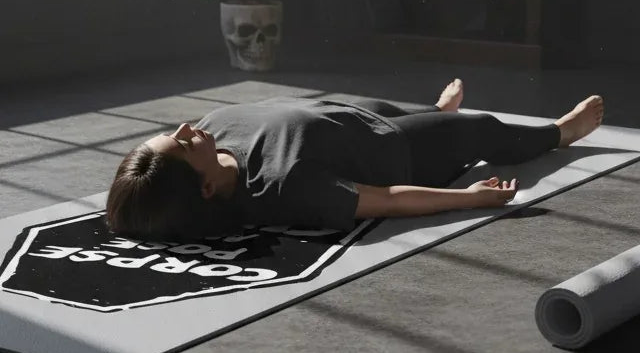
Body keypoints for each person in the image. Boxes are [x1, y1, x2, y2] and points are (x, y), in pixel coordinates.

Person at [105, 76, 604, 244]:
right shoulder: (283, 189)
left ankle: (432, 112)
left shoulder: (211, 138)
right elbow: (386, 199)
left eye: (174, 134)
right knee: (477, 129)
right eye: (185, 145)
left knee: (403, 112)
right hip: (396, 153)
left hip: (347, 120)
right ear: (207, 189)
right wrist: (467, 198)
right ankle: (560, 133)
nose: (189, 130)